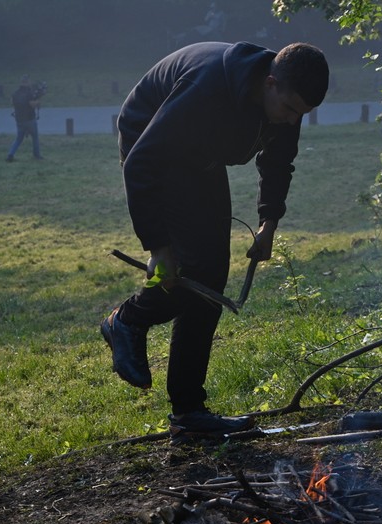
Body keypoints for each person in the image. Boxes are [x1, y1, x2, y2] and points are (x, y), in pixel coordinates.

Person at [101, 41, 329, 444]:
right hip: (152, 144)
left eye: (303, 114)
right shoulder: (206, 91)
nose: (293, 120)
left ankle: (189, 414)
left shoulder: (286, 101)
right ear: (270, 82)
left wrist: (268, 223)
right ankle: (128, 321)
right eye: (291, 110)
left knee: (212, 276)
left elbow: (278, 161)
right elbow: (141, 162)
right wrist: (159, 247)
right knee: (198, 270)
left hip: (198, 156)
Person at [6, 75, 43, 162]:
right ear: (27, 82)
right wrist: (38, 102)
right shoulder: (29, 93)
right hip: (30, 119)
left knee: (18, 139)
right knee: (35, 137)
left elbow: (11, 102)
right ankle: (36, 155)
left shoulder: (15, 93)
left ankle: (10, 154)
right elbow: (32, 104)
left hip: (19, 119)